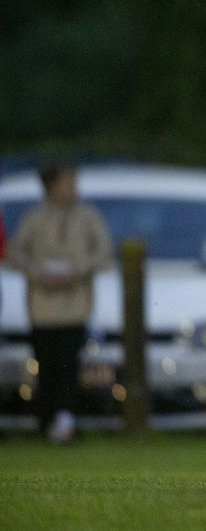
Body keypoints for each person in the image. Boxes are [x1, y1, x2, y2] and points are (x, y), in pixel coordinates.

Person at [7, 164, 113, 443]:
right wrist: (38, 272)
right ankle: (46, 422)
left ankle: (67, 420)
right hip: (42, 310)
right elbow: (15, 253)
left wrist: (75, 271)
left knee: (69, 367)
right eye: (67, 183)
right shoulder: (34, 219)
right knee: (47, 368)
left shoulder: (87, 218)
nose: (73, 189)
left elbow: (103, 253)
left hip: (74, 308)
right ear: (50, 186)